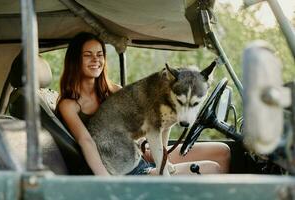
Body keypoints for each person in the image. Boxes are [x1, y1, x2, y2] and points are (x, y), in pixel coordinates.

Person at [56, 32, 230, 176]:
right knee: (211, 169)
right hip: (120, 165)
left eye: (100, 54)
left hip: (139, 150)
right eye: (88, 55)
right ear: (75, 60)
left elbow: (147, 124)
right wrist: (105, 181)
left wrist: (161, 156)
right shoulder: (69, 104)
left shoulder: (114, 91)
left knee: (222, 151)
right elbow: (86, 141)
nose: (95, 60)